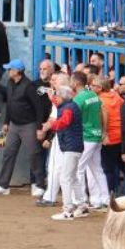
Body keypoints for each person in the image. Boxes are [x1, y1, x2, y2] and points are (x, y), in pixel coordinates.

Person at [0, 59, 49, 196]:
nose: (8, 71)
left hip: (29, 125)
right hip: (14, 125)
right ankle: (3, 185)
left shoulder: (29, 86)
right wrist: (6, 122)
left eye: (10, 69)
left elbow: (38, 108)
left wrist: (39, 127)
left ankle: (39, 185)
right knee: (8, 153)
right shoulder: (10, 83)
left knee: (34, 154)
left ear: (17, 71)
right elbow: (10, 105)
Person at [37, 79, 85, 221]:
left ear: (62, 97)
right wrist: (52, 98)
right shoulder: (68, 105)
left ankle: (68, 210)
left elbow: (64, 122)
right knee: (73, 177)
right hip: (73, 146)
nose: (54, 97)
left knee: (65, 178)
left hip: (71, 147)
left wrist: (49, 126)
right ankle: (82, 206)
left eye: (56, 95)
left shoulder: (68, 108)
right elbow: (62, 115)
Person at [73, 72, 109, 211]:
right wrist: (103, 131)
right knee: (97, 169)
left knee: (79, 169)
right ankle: (104, 199)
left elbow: (73, 119)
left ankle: (81, 201)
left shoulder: (78, 99)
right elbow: (103, 112)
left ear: (75, 83)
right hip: (96, 135)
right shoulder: (93, 95)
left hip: (86, 137)